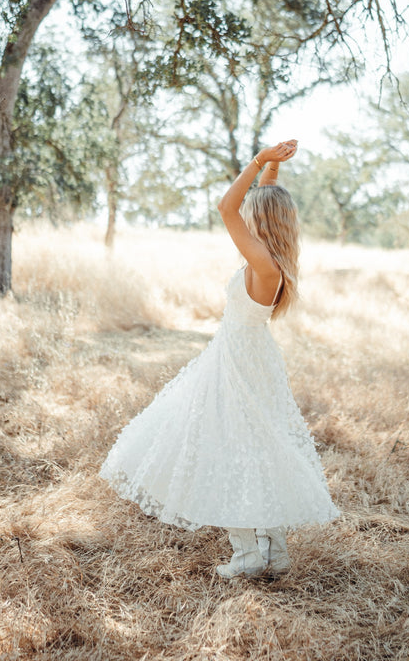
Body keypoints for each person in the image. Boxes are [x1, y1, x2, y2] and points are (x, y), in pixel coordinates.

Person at [99, 139, 339, 578]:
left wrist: (257, 160)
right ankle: (274, 552)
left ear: (260, 222)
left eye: (255, 212)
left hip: (239, 363)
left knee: (232, 448)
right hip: (246, 356)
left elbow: (226, 208)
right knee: (254, 448)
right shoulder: (271, 261)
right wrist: (271, 170)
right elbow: (251, 205)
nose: (244, 214)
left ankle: (248, 555)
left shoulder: (263, 265)